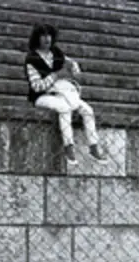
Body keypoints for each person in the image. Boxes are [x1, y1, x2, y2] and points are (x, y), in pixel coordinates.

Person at [24, 23, 107, 166]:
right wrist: (56, 76)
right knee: (64, 108)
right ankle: (69, 146)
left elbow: (71, 63)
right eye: (43, 36)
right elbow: (36, 86)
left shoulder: (55, 52)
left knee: (88, 110)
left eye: (49, 35)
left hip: (62, 92)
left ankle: (93, 146)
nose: (47, 39)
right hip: (42, 96)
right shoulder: (31, 59)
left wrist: (74, 69)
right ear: (37, 38)